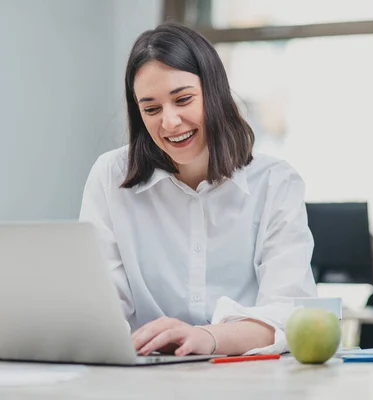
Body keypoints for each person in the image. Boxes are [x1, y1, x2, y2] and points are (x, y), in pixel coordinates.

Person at [79, 22, 317, 358]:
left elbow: (290, 312)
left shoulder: (275, 182)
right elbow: (99, 306)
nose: (170, 122)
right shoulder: (110, 176)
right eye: (151, 109)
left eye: (184, 99)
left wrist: (209, 337)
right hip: (145, 382)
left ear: (215, 93)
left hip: (248, 381)